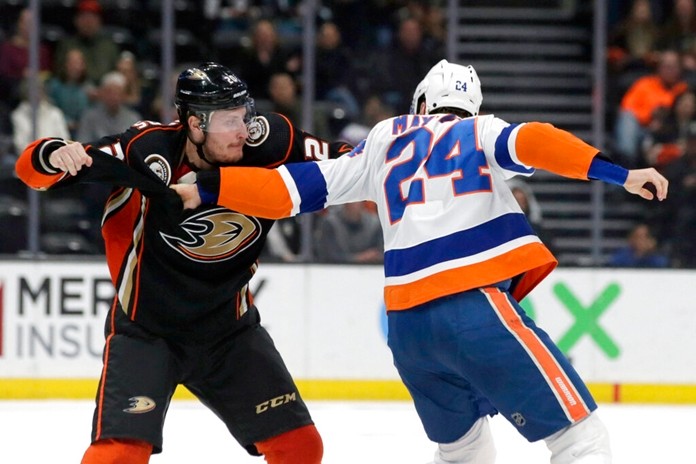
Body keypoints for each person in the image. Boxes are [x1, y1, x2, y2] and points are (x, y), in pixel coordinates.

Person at [172, 59, 669, 464]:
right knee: (581, 441)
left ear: (423, 103)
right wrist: (621, 174)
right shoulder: (479, 130)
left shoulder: (383, 139)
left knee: (463, 453)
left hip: (409, 330)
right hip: (474, 311)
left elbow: (292, 189)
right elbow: (536, 140)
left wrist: (211, 186)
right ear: (471, 107)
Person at [15, 62, 351, 464]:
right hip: (147, 332)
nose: (243, 130)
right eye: (229, 121)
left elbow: (350, 164)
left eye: (244, 115)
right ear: (194, 124)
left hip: (229, 332)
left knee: (300, 446)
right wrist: (54, 153)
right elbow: (31, 170)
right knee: (118, 455)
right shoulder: (149, 149)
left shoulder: (272, 142)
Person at [613, 49, 687, 166]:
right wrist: (650, 116)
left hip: (673, 130)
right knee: (627, 118)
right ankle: (626, 162)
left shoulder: (683, 88)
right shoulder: (645, 84)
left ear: (680, 68)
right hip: (644, 129)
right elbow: (627, 108)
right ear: (659, 68)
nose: (669, 70)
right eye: (666, 66)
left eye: (673, 66)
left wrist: (663, 118)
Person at [53, 0, 121, 86]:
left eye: (92, 18)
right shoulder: (66, 45)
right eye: (84, 17)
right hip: (74, 89)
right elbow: (58, 74)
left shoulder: (109, 46)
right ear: (76, 20)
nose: (88, 22)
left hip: (105, 91)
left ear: (99, 21)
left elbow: (116, 75)